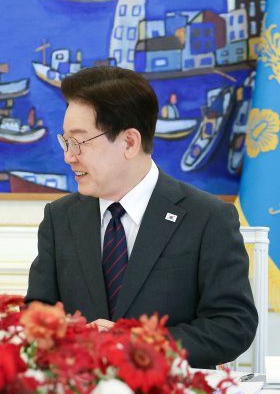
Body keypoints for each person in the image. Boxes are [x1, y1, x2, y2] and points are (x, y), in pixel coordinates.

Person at [25, 66, 258, 368]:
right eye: (66, 142)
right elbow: (36, 314)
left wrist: (136, 343)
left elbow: (232, 326)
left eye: (79, 142)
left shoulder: (207, 218)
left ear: (129, 143)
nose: (69, 156)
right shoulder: (60, 218)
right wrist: (70, 336)